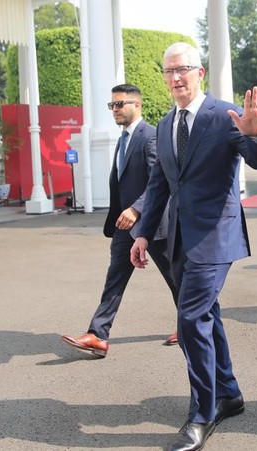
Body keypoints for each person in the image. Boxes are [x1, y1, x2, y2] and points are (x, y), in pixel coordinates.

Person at [130, 42, 257, 451]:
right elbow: (159, 185)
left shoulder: (225, 114)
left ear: (201, 72)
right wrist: (142, 233)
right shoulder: (164, 123)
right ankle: (228, 393)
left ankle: (203, 412)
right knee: (207, 314)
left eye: (184, 69)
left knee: (190, 318)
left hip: (216, 235)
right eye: (169, 71)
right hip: (178, 237)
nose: (176, 78)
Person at [61, 84, 179, 357]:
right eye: (112, 105)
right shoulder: (124, 138)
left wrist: (137, 209)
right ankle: (97, 335)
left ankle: (193, 325)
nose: (114, 109)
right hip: (124, 226)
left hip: (152, 222)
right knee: (115, 278)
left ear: (137, 105)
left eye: (120, 104)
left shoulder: (150, 136)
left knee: (176, 278)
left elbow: (159, 182)